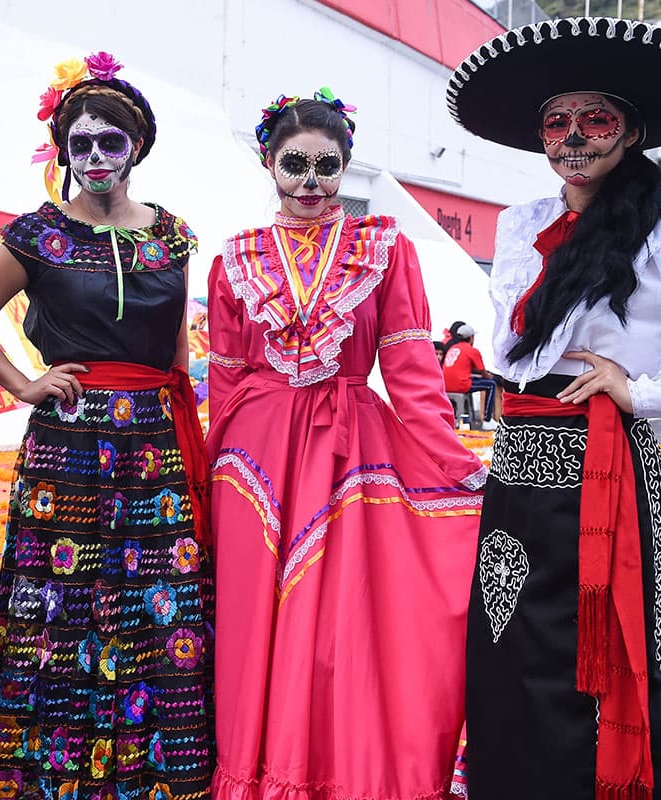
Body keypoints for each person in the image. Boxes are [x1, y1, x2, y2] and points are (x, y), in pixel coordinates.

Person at [446, 17, 661, 800]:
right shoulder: (522, 221)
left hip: (606, 469)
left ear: (630, 130)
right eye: (557, 121)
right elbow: (514, 350)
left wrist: (645, 392)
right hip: (518, 469)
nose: (573, 137)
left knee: (588, 665)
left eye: (595, 119)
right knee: (506, 651)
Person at [206, 89, 486, 800]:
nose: (309, 182)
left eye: (325, 167)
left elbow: (413, 373)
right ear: (268, 163)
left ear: (346, 167)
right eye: (294, 163)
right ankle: (255, 773)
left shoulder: (384, 247)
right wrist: (204, 469)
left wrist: (457, 466)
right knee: (254, 621)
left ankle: (334, 774)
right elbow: (228, 377)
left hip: (349, 451)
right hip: (252, 462)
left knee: (339, 626)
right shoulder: (235, 256)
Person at [0, 53, 214, 799]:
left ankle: (155, 771)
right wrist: (26, 385)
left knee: (160, 602)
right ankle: (50, 775)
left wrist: (189, 428)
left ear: (137, 148)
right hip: (68, 446)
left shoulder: (174, 235)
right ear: (63, 152)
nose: (95, 157)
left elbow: (175, 349)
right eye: (81, 145)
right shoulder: (36, 233)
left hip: (155, 446)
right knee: (62, 605)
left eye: (111, 143)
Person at [442, 324, 501, 428]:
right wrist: (489, 376)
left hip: (445, 385)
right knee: (491, 384)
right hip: (460, 385)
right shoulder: (472, 350)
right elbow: (482, 372)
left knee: (479, 381)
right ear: (471, 338)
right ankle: (487, 421)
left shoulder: (453, 348)